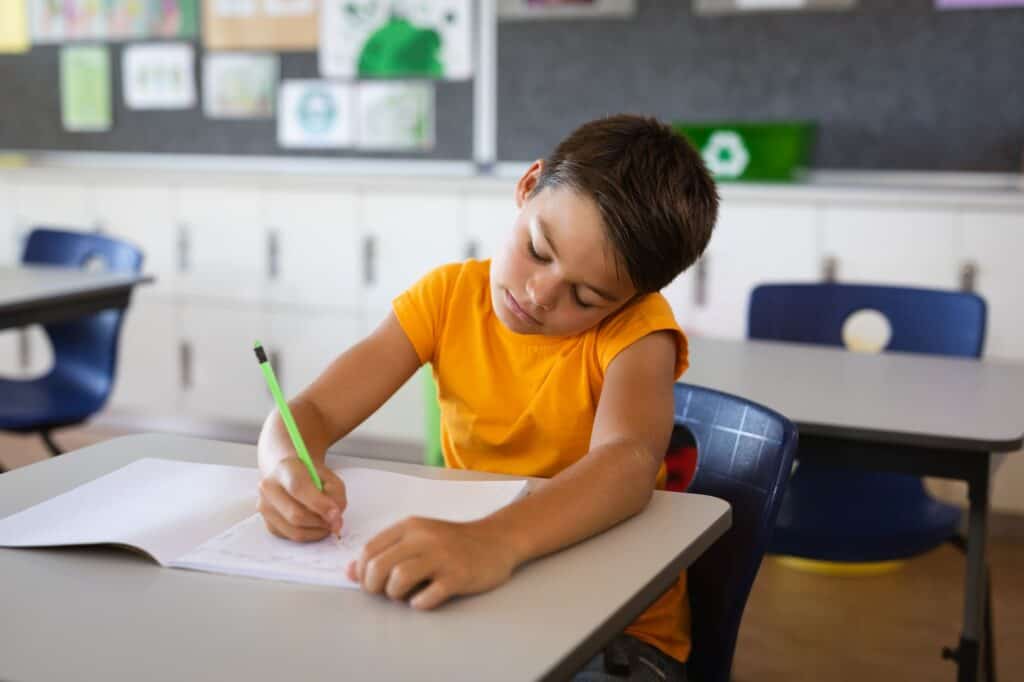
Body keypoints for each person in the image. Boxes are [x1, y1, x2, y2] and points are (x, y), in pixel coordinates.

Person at [256, 113, 718, 681]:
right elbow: (316, 410)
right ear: (527, 188)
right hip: (481, 594)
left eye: (587, 295)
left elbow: (626, 461)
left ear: (630, 298)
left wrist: (492, 542)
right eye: (539, 250)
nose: (540, 294)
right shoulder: (448, 298)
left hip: (616, 630)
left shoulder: (638, 333)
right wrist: (283, 466)